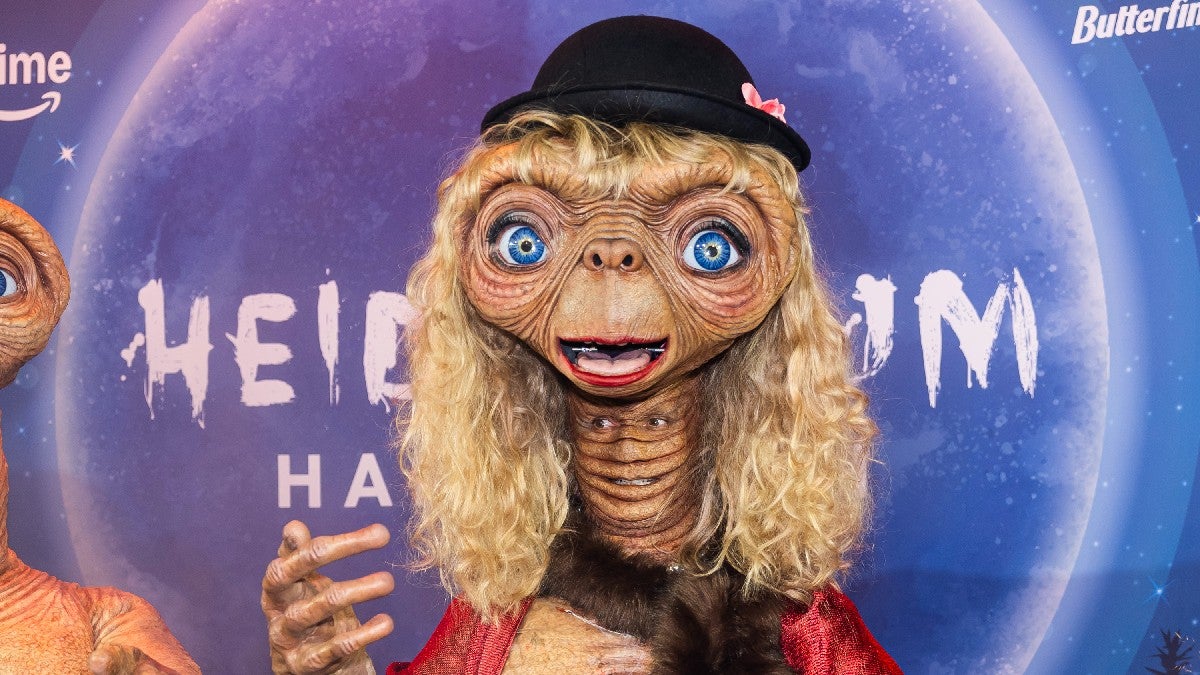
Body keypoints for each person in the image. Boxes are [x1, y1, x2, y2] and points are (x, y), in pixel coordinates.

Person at [262, 16, 901, 674]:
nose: (612, 258)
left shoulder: (804, 629)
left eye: (709, 244)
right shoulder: (499, 620)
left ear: (774, 271)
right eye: (527, 240)